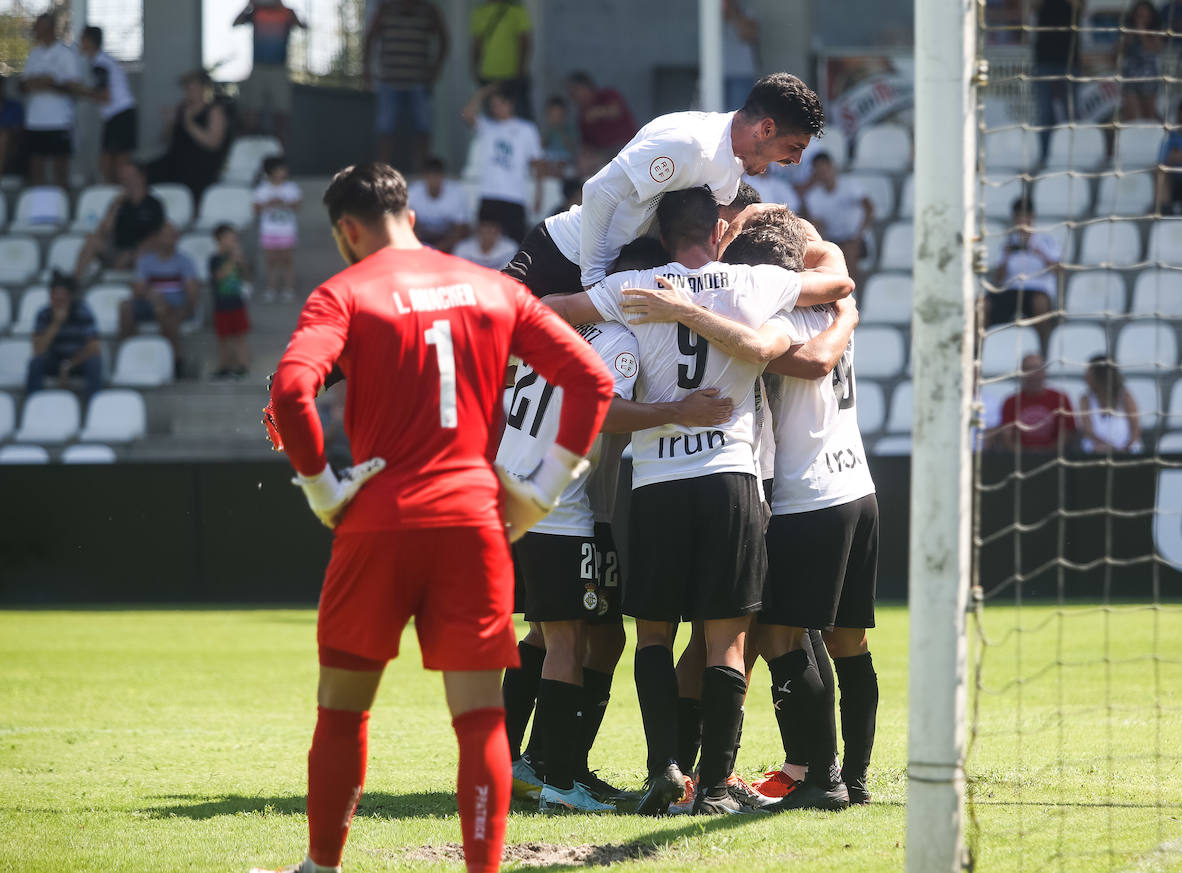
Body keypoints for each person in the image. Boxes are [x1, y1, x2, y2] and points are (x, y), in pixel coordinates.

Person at [254, 160, 614, 873]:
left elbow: (292, 393)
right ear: (411, 219)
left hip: (378, 519)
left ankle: (322, 866)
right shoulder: (491, 287)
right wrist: (539, 491)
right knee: (478, 718)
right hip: (472, 521)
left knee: (343, 709)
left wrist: (324, 491)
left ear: (347, 231)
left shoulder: (344, 292)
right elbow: (591, 381)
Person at [543, 186, 854, 815]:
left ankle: (663, 768)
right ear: (718, 232)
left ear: (661, 236)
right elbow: (837, 283)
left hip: (655, 483)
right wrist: (769, 221)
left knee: (653, 634)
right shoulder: (753, 282)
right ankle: (712, 788)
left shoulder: (635, 288)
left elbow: (551, 308)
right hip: (730, 479)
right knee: (726, 641)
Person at [622, 207, 876, 810]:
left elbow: (784, 356)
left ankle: (818, 777)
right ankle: (843, 774)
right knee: (841, 641)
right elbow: (828, 259)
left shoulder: (776, 317)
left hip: (802, 494)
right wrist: (846, 311)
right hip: (855, 485)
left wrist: (687, 308)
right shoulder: (829, 302)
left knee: (776, 636)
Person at [496, 309, 734, 813]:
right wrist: (680, 410)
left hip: (518, 495)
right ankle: (556, 779)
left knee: (574, 635)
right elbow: (603, 410)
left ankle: (517, 763)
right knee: (567, 641)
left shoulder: (555, 332)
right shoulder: (619, 341)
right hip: (559, 509)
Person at [503, 73, 825, 301]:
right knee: (486, 349)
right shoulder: (691, 145)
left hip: (610, 276)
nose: (796, 160)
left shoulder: (732, 163)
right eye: (795, 147)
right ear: (766, 129)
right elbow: (599, 191)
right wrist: (594, 281)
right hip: (563, 256)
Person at [363, 0, 449, 171]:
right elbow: (370, 38)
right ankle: (382, 170)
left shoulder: (428, 10)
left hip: (419, 81)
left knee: (423, 127)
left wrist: (436, 67)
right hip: (389, 80)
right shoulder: (385, 9)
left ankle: (422, 171)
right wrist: (365, 68)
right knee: (385, 128)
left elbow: (444, 38)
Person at [462, 82, 542, 243]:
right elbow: (467, 114)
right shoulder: (487, 127)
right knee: (485, 243)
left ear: (510, 104)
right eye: (493, 105)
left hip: (515, 196)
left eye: (500, 104)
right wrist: (483, 92)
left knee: (516, 243)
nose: (496, 109)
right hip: (489, 194)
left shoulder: (527, 129)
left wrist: (538, 195)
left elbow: (538, 164)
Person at [123, 223, 200, 376]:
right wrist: (152, 296)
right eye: (166, 235)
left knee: (165, 313)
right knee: (124, 307)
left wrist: (186, 308)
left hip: (176, 304)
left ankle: (175, 362)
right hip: (149, 302)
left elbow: (192, 291)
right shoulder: (146, 261)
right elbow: (138, 288)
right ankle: (129, 353)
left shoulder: (185, 261)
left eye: (173, 235)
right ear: (157, 238)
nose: (170, 239)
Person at [985, 197, 1060, 349]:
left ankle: (1044, 349)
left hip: (1037, 290)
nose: (1021, 221)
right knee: (982, 305)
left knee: (1040, 303)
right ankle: (978, 349)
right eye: (1018, 217)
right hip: (1010, 290)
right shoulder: (1006, 243)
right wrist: (1006, 256)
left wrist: (1038, 252)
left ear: (1032, 217)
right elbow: (998, 278)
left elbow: (1058, 270)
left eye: (1025, 216)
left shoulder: (1046, 240)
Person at [145, 70, 229, 204]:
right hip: (175, 160)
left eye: (193, 89)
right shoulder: (181, 108)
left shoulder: (214, 110)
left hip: (201, 164)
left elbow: (213, 143)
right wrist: (169, 123)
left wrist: (189, 123)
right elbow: (166, 141)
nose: (189, 93)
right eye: (187, 89)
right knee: (142, 172)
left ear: (203, 89)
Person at [73, 161, 166, 282]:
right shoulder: (119, 203)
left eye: (130, 176)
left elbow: (157, 234)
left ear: (142, 177)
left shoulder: (154, 204)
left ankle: (139, 285)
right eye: (124, 178)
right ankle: (74, 282)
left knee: (143, 252)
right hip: (116, 250)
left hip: (140, 251)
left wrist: (132, 252)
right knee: (92, 241)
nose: (126, 181)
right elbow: (103, 231)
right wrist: (114, 207)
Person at [19, 12, 82, 186]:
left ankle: (62, 201)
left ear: (50, 29)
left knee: (60, 170)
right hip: (35, 121)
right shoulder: (34, 55)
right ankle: (38, 201)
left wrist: (51, 84)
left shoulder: (66, 54)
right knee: (36, 168)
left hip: (59, 120)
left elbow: (75, 88)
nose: (35, 30)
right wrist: (37, 82)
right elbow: (23, 85)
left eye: (39, 27)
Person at [233, 0, 306, 141]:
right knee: (252, 110)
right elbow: (235, 23)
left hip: (279, 69)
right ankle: (250, 144)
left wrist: (286, 12)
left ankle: (279, 149)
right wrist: (249, 6)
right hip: (258, 68)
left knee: (281, 114)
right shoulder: (256, 11)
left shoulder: (287, 12)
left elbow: (303, 26)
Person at [801, 152, 873, 283]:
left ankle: (853, 289)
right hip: (833, 240)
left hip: (858, 238)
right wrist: (822, 244)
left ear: (832, 167)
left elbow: (869, 208)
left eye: (825, 170)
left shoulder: (850, 185)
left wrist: (860, 235)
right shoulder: (813, 196)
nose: (824, 174)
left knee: (849, 252)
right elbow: (817, 225)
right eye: (819, 171)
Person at [26, 273, 101, 400]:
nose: (58, 303)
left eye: (62, 300)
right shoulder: (43, 314)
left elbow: (94, 349)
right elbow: (38, 350)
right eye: (54, 299)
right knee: (35, 363)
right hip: (53, 360)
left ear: (70, 297)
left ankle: (94, 403)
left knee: (94, 362)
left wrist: (68, 365)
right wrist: (56, 324)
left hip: (77, 360)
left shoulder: (83, 312)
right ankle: (33, 402)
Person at [79, 26, 138, 183]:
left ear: (90, 41)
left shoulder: (100, 63)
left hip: (121, 116)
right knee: (108, 164)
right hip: (117, 116)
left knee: (114, 165)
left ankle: (121, 193)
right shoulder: (101, 61)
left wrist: (80, 91)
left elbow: (105, 96)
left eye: (82, 39)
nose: (80, 43)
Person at [1030, 0, 1082, 161]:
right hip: (1044, 59)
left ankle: (1071, 155)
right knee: (1044, 113)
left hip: (1069, 60)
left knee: (1070, 113)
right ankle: (1044, 157)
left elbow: (1079, 7)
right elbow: (1033, 6)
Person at [990, 353, 1075, 451]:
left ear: (1045, 371)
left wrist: (1046, 453)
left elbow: (1068, 434)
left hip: (1053, 456)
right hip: (1019, 457)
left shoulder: (1061, 399)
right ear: (1021, 372)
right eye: (1028, 369)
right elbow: (1006, 436)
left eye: (1037, 369)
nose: (1033, 374)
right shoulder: (1010, 402)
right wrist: (1024, 455)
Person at [564, 71, 638, 176]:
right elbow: (587, 144)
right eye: (571, 94)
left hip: (626, 146)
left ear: (586, 86)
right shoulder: (582, 115)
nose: (575, 96)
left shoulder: (608, 95)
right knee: (583, 162)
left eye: (576, 91)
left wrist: (597, 112)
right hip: (604, 153)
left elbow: (615, 111)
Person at [470, 0, 532, 116]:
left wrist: (521, 69)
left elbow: (525, 41)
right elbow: (477, 43)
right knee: (492, 116)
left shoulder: (516, 11)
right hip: (488, 75)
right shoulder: (479, 12)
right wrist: (475, 68)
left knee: (519, 115)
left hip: (512, 76)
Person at [253, 155, 302, 301]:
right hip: (269, 230)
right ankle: (271, 288)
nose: (283, 172)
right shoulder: (262, 189)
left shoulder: (291, 188)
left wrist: (284, 203)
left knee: (287, 260)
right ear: (271, 172)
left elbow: (297, 207)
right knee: (271, 260)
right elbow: (256, 209)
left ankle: (288, 288)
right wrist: (268, 203)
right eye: (280, 169)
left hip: (287, 230)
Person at [208, 223, 251, 380]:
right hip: (221, 304)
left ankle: (242, 365)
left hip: (237, 303)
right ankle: (224, 365)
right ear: (219, 239)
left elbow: (246, 276)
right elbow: (217, 277)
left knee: (240, 336)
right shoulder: (214, 259)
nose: (233, 241)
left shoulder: (237, 259)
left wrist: (242, 264)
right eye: (229, 238)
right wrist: (231, 261)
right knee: (223, 337)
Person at [1077, 355, 1141, 453]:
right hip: (1096, 452)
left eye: (1089, 372)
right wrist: (1110, 448)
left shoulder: (1125, 396)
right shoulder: (1085, 399)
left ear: (1100, 375)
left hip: (1128, 452)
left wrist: (1126, 448)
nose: (1085, 376)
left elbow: (1135, 428)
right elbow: (1087, 430)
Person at [409, 156, 472, 251]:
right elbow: (407, 224)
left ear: (442, 176)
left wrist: (437, 249)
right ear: (424, 177)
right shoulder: (413, 192)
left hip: (447, 240)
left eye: (437, 176)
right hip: (421, 238)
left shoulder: (456, 193)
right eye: (430, 176)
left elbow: (461, 229)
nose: (433, 180)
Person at [1117, 1, 1163, 122]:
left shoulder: (1156, 31)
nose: (1141, 16)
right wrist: (1128, 37)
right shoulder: (1128, 30)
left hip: (1149, 76)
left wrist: (1141, 31)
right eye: (1139, 13)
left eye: (1144, 13)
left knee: (1149, 115)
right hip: (1130, 75)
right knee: (1132, 115)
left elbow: (1154, 49)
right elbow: (1119, 50)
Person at [722, 0, 760, 108]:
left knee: (740, 114)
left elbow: (749, 35)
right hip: (715, 74)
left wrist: (733, 13)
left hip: (741, 74)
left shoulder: (747, 10)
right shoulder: (709, 14)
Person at [454, 211, 518, 270]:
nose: (488, 230)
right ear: (478, 229)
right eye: (485, 226)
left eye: (492, 227)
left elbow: (508, 273)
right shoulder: (462, 247)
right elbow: (458, 270)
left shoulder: (510, 248)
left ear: (499, 230)